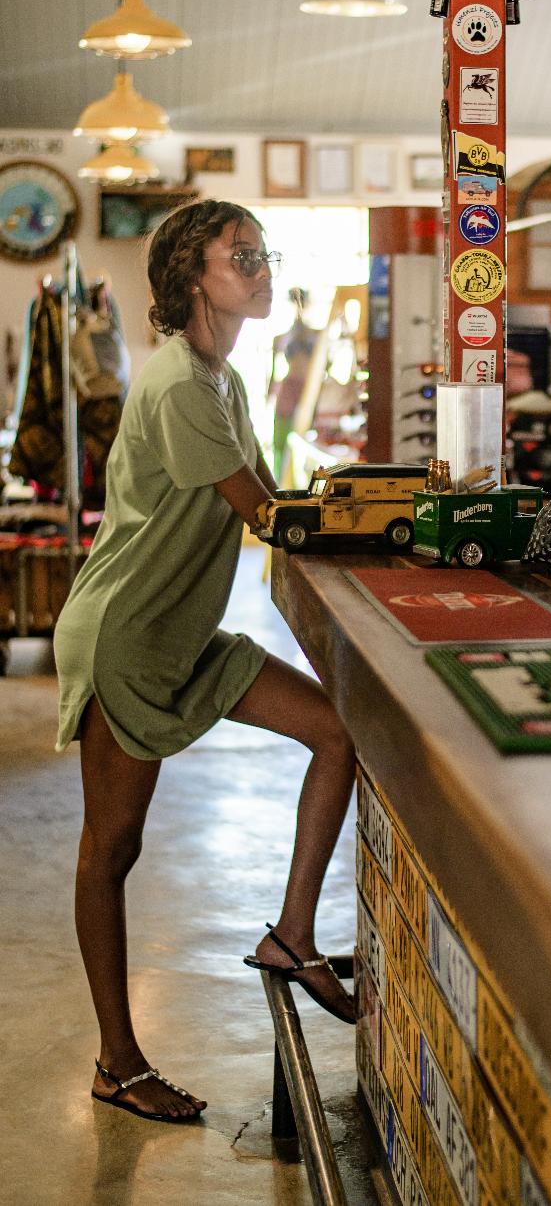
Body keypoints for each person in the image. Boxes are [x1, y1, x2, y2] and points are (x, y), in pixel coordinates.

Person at [53, 200, 356, 1127]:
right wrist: (377, 532)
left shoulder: (221, 378)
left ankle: (293, 937)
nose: (263, 270)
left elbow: (271, 500)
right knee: (113, 850)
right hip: (129, 636)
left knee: (338, 734)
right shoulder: (183, 382)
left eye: (263, 253)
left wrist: (356, 514)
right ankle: (116, 1061)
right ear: (194, 279)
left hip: (182, 632)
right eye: (243, 256)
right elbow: (263, 514)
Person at [269, 287, 317, 478]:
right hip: (290, 388)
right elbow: (273, 372)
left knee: (308, 438)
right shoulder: (282, 338)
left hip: (309, 388)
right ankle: (279, 479)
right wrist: (269, 393)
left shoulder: (315, 335)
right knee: (282, 438)